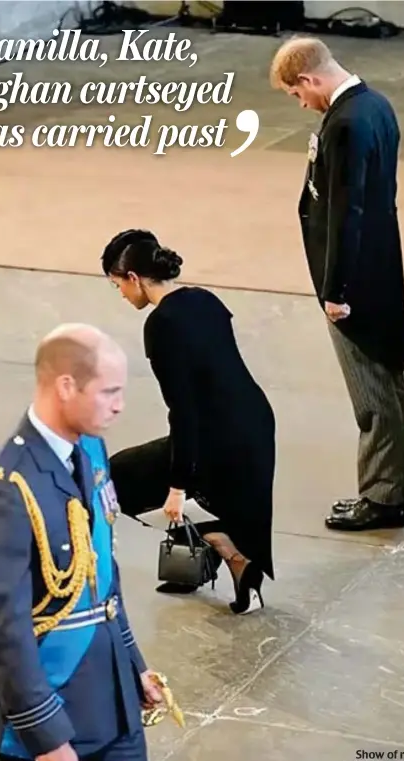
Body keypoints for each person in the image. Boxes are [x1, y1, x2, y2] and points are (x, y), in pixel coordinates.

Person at [0, 323, 161, 761]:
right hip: (47, 720)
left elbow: (101, 577)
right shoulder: (7, 489)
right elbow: (5, 630)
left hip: (108, 706)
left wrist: (132, 663)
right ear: (66, 386)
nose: (119, 406)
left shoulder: (89, 451)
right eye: (109, 392)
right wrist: (48, 739)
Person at [270, 36, 404, 532]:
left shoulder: (346, 124)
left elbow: (345, 213)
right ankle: (392, 487)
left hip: (355, 279)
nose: (302, 103)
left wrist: (336, 290)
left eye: (297, 94)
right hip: (379, 267)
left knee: (371, 390)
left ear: (309, 79)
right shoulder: (375, 105)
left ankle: (381, 498)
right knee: (387, 379)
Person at [101, 229, 276, 615]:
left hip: (217, 436)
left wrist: (178, 485)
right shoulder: (205, 300)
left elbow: (184, 410)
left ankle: (231, 555)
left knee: (113, 481)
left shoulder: (161, 325)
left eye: (118, 285)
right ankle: (212, 552)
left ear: (134, 278)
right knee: (186, 485)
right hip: (255, 422)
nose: (122, 295)